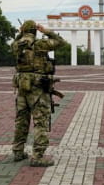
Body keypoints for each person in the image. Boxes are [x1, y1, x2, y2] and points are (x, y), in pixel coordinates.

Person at [11, 20, 65, 167]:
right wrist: (46, 31)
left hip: (22, 87)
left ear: (23, 30)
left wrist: (20, 34)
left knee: (21, 121)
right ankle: (38, 156)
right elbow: (60, 42)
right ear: (34, 30)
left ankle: (18, 151)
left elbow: (15, 43)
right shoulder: (39, 44)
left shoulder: (16, 45)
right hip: (37, 89)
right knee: (41, 122)